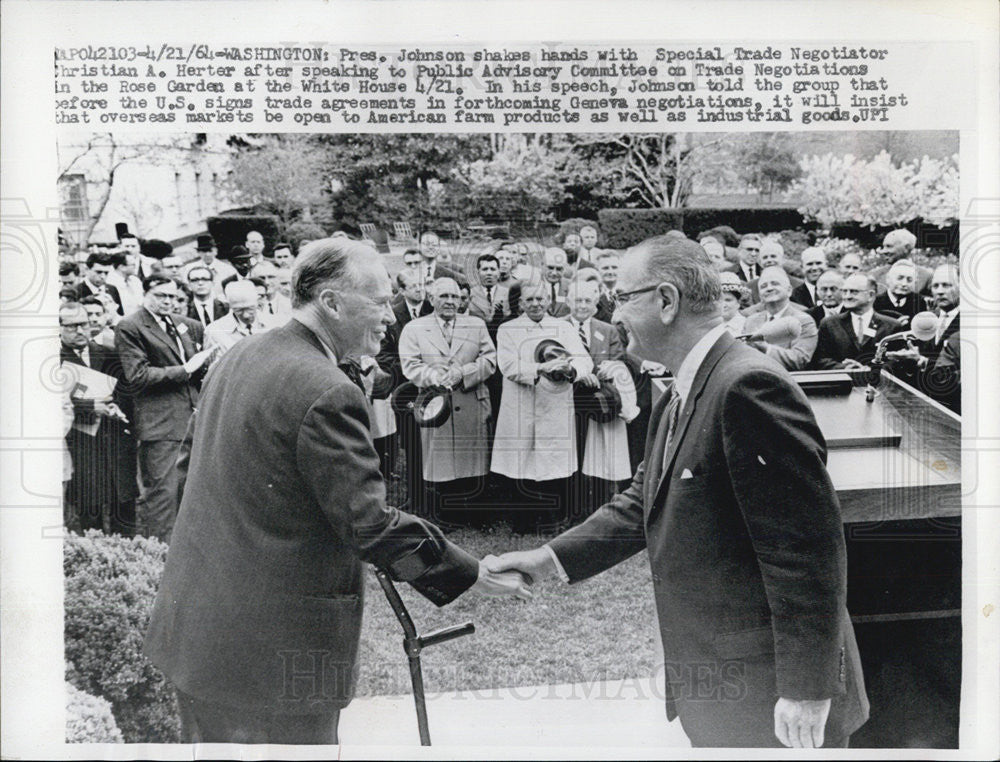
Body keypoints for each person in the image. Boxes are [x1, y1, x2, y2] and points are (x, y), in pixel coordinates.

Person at [486, 235, 869, 748]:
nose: (613, 313)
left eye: (622, 297)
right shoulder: (687, 386)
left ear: (667, 301)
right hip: (722, 689)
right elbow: (643, 498)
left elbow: (807, 550)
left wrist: (806, 689)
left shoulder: (746, 387)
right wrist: (549, 557)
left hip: (767, 698)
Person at [144, 238, 529, 745]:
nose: (389, 317)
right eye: (377, 301)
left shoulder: (239, 354)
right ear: (330, 302)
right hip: (276, 662)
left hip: (199, 640)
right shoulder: (327, 390)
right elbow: (369, 524)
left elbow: (188, 470)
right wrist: (472, 571)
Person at [114, 274, 214, 541]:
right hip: (161, 424)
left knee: (190, 493)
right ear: (145, 294)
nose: (169, 301)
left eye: (174, 297)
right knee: (163, 496)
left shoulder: (184, 325)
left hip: (193, 417)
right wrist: (185, 369)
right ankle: (158, 556)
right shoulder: (131, 326)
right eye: (162, 295)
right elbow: (138, 376)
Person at [491, 282, 591, 529]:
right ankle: (522, 523)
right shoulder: (507, 329)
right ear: (521, 303)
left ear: (549, 300)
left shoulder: (563, 327)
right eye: (530, 300)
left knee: (552, 461)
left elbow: (583, 359)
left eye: (540, 299)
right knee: (520, 462)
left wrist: (572, 369)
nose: (535, 304)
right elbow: (507, 366)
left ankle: (553, 520)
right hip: (521, 401)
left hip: (555, 401)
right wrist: (540, 368)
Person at [399, 278, 497, 523]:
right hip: (436, 403)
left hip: (471, 399)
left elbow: (490, 360)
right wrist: (435, 377)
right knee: (440, 459)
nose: (450, 302)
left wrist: (463, 373)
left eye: (455, 297)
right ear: (431, 299)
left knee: (472, 458)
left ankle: (473, 514)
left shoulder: (476, 324)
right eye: (444, 296)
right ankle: (443, 514)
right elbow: (410, 364)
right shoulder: (415, 328)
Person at [60, 302, 135, 536]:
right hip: (80, 443)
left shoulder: (107, 352)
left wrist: (116, 407)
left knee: (122, 504)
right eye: (72, 327)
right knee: (89, 508)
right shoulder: (52, 358)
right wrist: (91, 407)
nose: (81, 330)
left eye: (83, 324)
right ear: (58, 328)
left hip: (113, 439)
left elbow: (125, 392)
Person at [885, 263, 961, 413]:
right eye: (935, 286)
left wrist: (921, 360)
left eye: (946, 286)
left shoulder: (973, 324)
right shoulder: (929, 317)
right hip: (925, 404)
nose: (939, 292)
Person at [812, 273, 904, 370]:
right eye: (844, 291)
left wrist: (869, 370)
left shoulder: (892, 326)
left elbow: (896, 361)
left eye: (853, 292)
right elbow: (821, 360)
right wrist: (846, 368)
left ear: (871, 295)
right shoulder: (829, 324)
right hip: (841, 382)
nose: (847, 296)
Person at [741, 266, 819, 370]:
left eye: (775, 284)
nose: (769, 288)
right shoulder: (751, 321)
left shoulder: (803, 321)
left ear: (789, 290)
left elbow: (799, 359)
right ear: (760, 296)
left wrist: (765, 348)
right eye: (763, 286)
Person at [205, 281, 271, 354]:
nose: (246, 315)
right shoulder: (214, 331)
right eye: (238, 310)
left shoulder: (276, 324)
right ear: (229, 305)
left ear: (257, 300)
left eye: (250, 308)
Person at [873, 259, 928, 325]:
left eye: (909, 280)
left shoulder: (919, 302)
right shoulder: (875, 302)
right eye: (900, 278)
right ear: (888, 279)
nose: (904, 284)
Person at [74, 251, 124, 317]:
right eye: (99, 272)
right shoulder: (76, 291)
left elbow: (120, 315)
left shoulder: (112, 289)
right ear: (87, 270)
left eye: (106, 273)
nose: (103, 276)